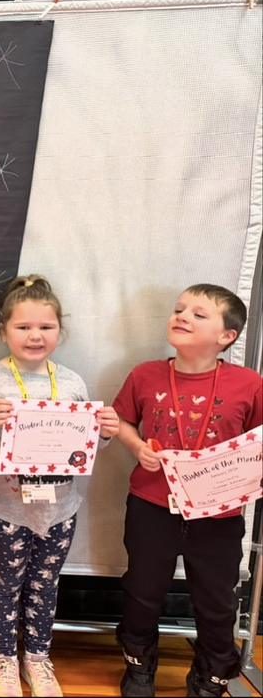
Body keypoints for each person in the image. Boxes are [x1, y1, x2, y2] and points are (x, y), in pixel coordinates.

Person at [0, 276, 119, 698]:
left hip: (60, 507)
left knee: (46, 584)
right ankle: (4, 660)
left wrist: (104, 432)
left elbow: (85, 446)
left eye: (46, 327)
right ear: (3, 331)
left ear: (60, 331)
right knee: (5, 583)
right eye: (23, 327)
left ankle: (37, 658)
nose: (35, 335)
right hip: (4, 507)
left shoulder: (72, 382)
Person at [112, 284, 262, 698]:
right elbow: (122, 420)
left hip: (218, 514)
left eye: (199, 314)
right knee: (142, 591)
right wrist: (137, 447)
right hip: (151, 506)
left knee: (217, 600)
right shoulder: (144, 374)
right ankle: (139, 663)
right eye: (179, 309)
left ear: (226, 336)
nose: (182, 316)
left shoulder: (249, 382)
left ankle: (212, 675)